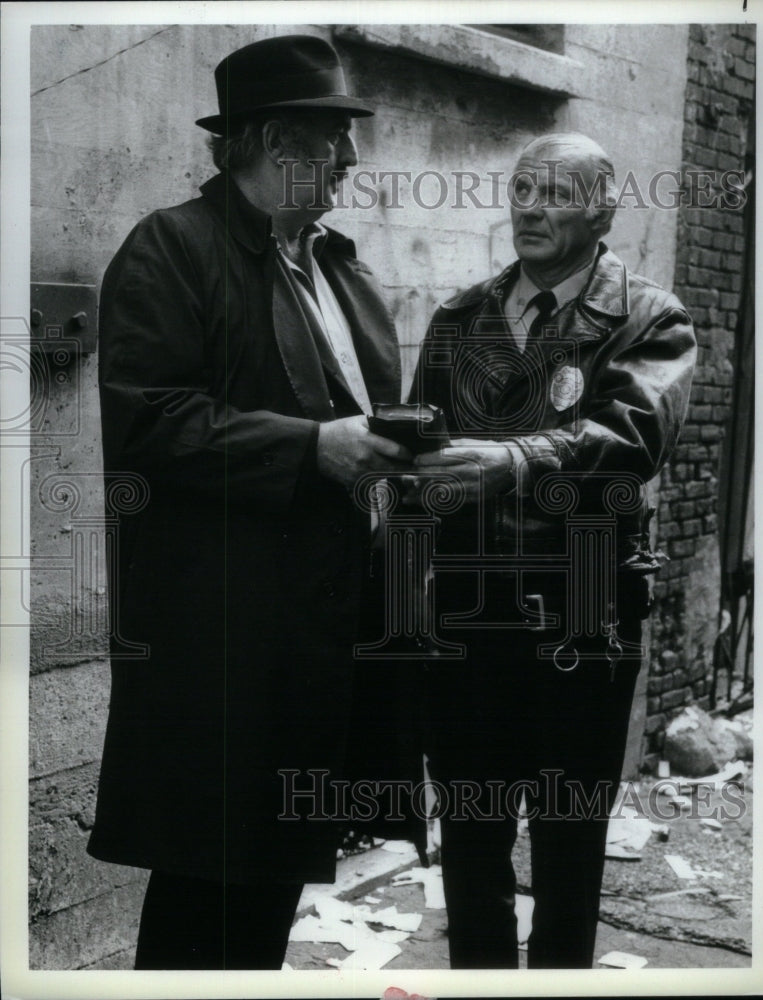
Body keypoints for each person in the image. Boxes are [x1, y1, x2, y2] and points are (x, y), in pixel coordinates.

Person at [87, 35, 423, 970]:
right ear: (277, 141)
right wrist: (313, 447)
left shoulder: (337, 265)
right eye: (337, 140)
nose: (354, 162)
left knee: (271, 876)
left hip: (318, 632)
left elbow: (347, 409)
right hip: (223, 642)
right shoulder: (172, 247)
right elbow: (150, 422)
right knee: (206, 884)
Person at [408, 132, 697, 968]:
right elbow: (424, 459)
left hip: (584, 621)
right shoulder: (461, 317)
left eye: (556, 193)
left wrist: (516, 456)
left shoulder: (649, 316)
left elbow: (633, 432)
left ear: (602, 209)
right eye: (522, 189)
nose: (531, 209)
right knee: (470, 839)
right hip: (468, 624)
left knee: (569, 846)